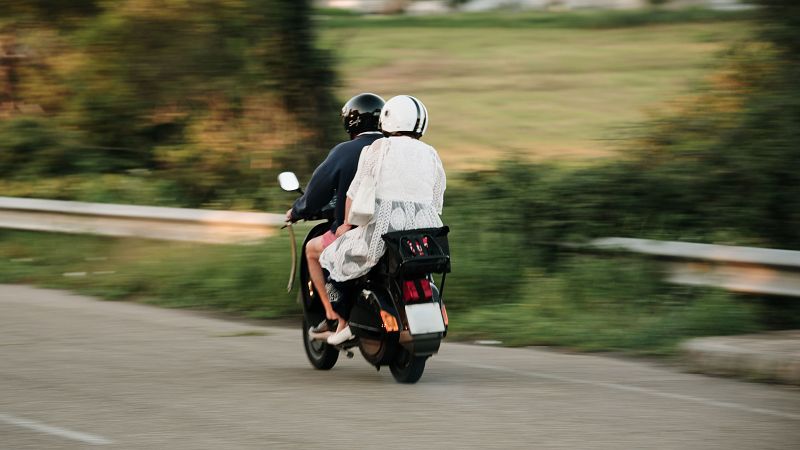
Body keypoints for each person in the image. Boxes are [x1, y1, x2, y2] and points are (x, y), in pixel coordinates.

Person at [321, 95, 446, 345]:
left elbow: (356, 191)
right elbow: (436, 199)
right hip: (424, 234)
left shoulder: (379, 148)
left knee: (333, 257)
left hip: (384, 232)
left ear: (388, 118)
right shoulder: (431, 153)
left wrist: (347, 224)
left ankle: (344, 320)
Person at [285, 93, 385, 333]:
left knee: (312, 250)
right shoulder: (393, 150)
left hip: (354, 232)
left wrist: (297, 211)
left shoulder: (345, 151)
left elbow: (316, 193)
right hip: (393, 228)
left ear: (351, 122)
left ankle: (331, 316)